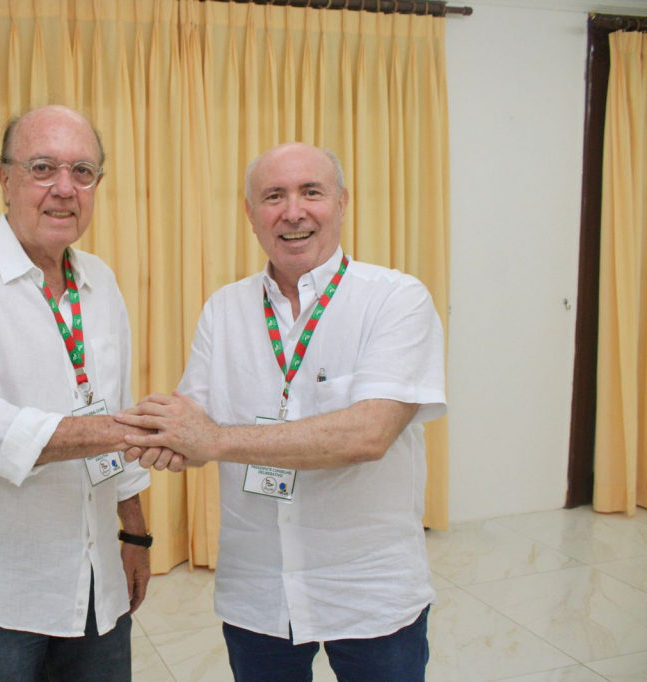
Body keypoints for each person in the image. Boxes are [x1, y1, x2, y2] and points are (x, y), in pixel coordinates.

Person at [116, 143, 446, 681]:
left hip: (369, 590)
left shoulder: (396, 299)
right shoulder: (224, 309)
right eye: (273, 196)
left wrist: (212, 440)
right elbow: (190, 423)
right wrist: (148, 433)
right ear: (250, 214)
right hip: (258, 591)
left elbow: (368, 435)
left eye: (311, 192)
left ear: (342, 202)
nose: (293, 212)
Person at [0, 105, 153, 682]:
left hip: (94, 581)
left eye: (82, 171)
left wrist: (135, 532)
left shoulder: (100, 281)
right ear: (5, 178)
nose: (64, 189)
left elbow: (115, 404)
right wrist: (127, 430)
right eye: (43, 168)